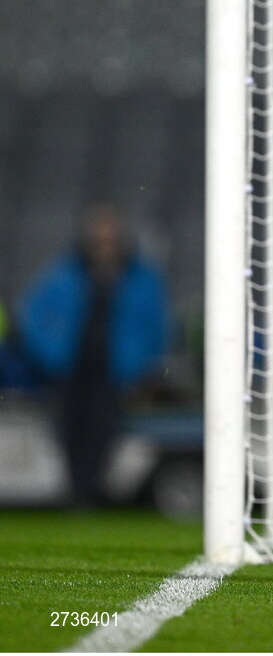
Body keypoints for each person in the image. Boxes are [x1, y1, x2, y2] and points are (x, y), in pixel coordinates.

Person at [17, 202, 170, 506]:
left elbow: (155, 326)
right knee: (70, 430)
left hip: (113, 371)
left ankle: (91, 489)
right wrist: (49, 355)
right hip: (71, 369)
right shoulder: (65, 274)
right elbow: (34, 316)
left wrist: (139, 363)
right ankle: (76, 490)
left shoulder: (140, 278)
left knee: (105, 430)